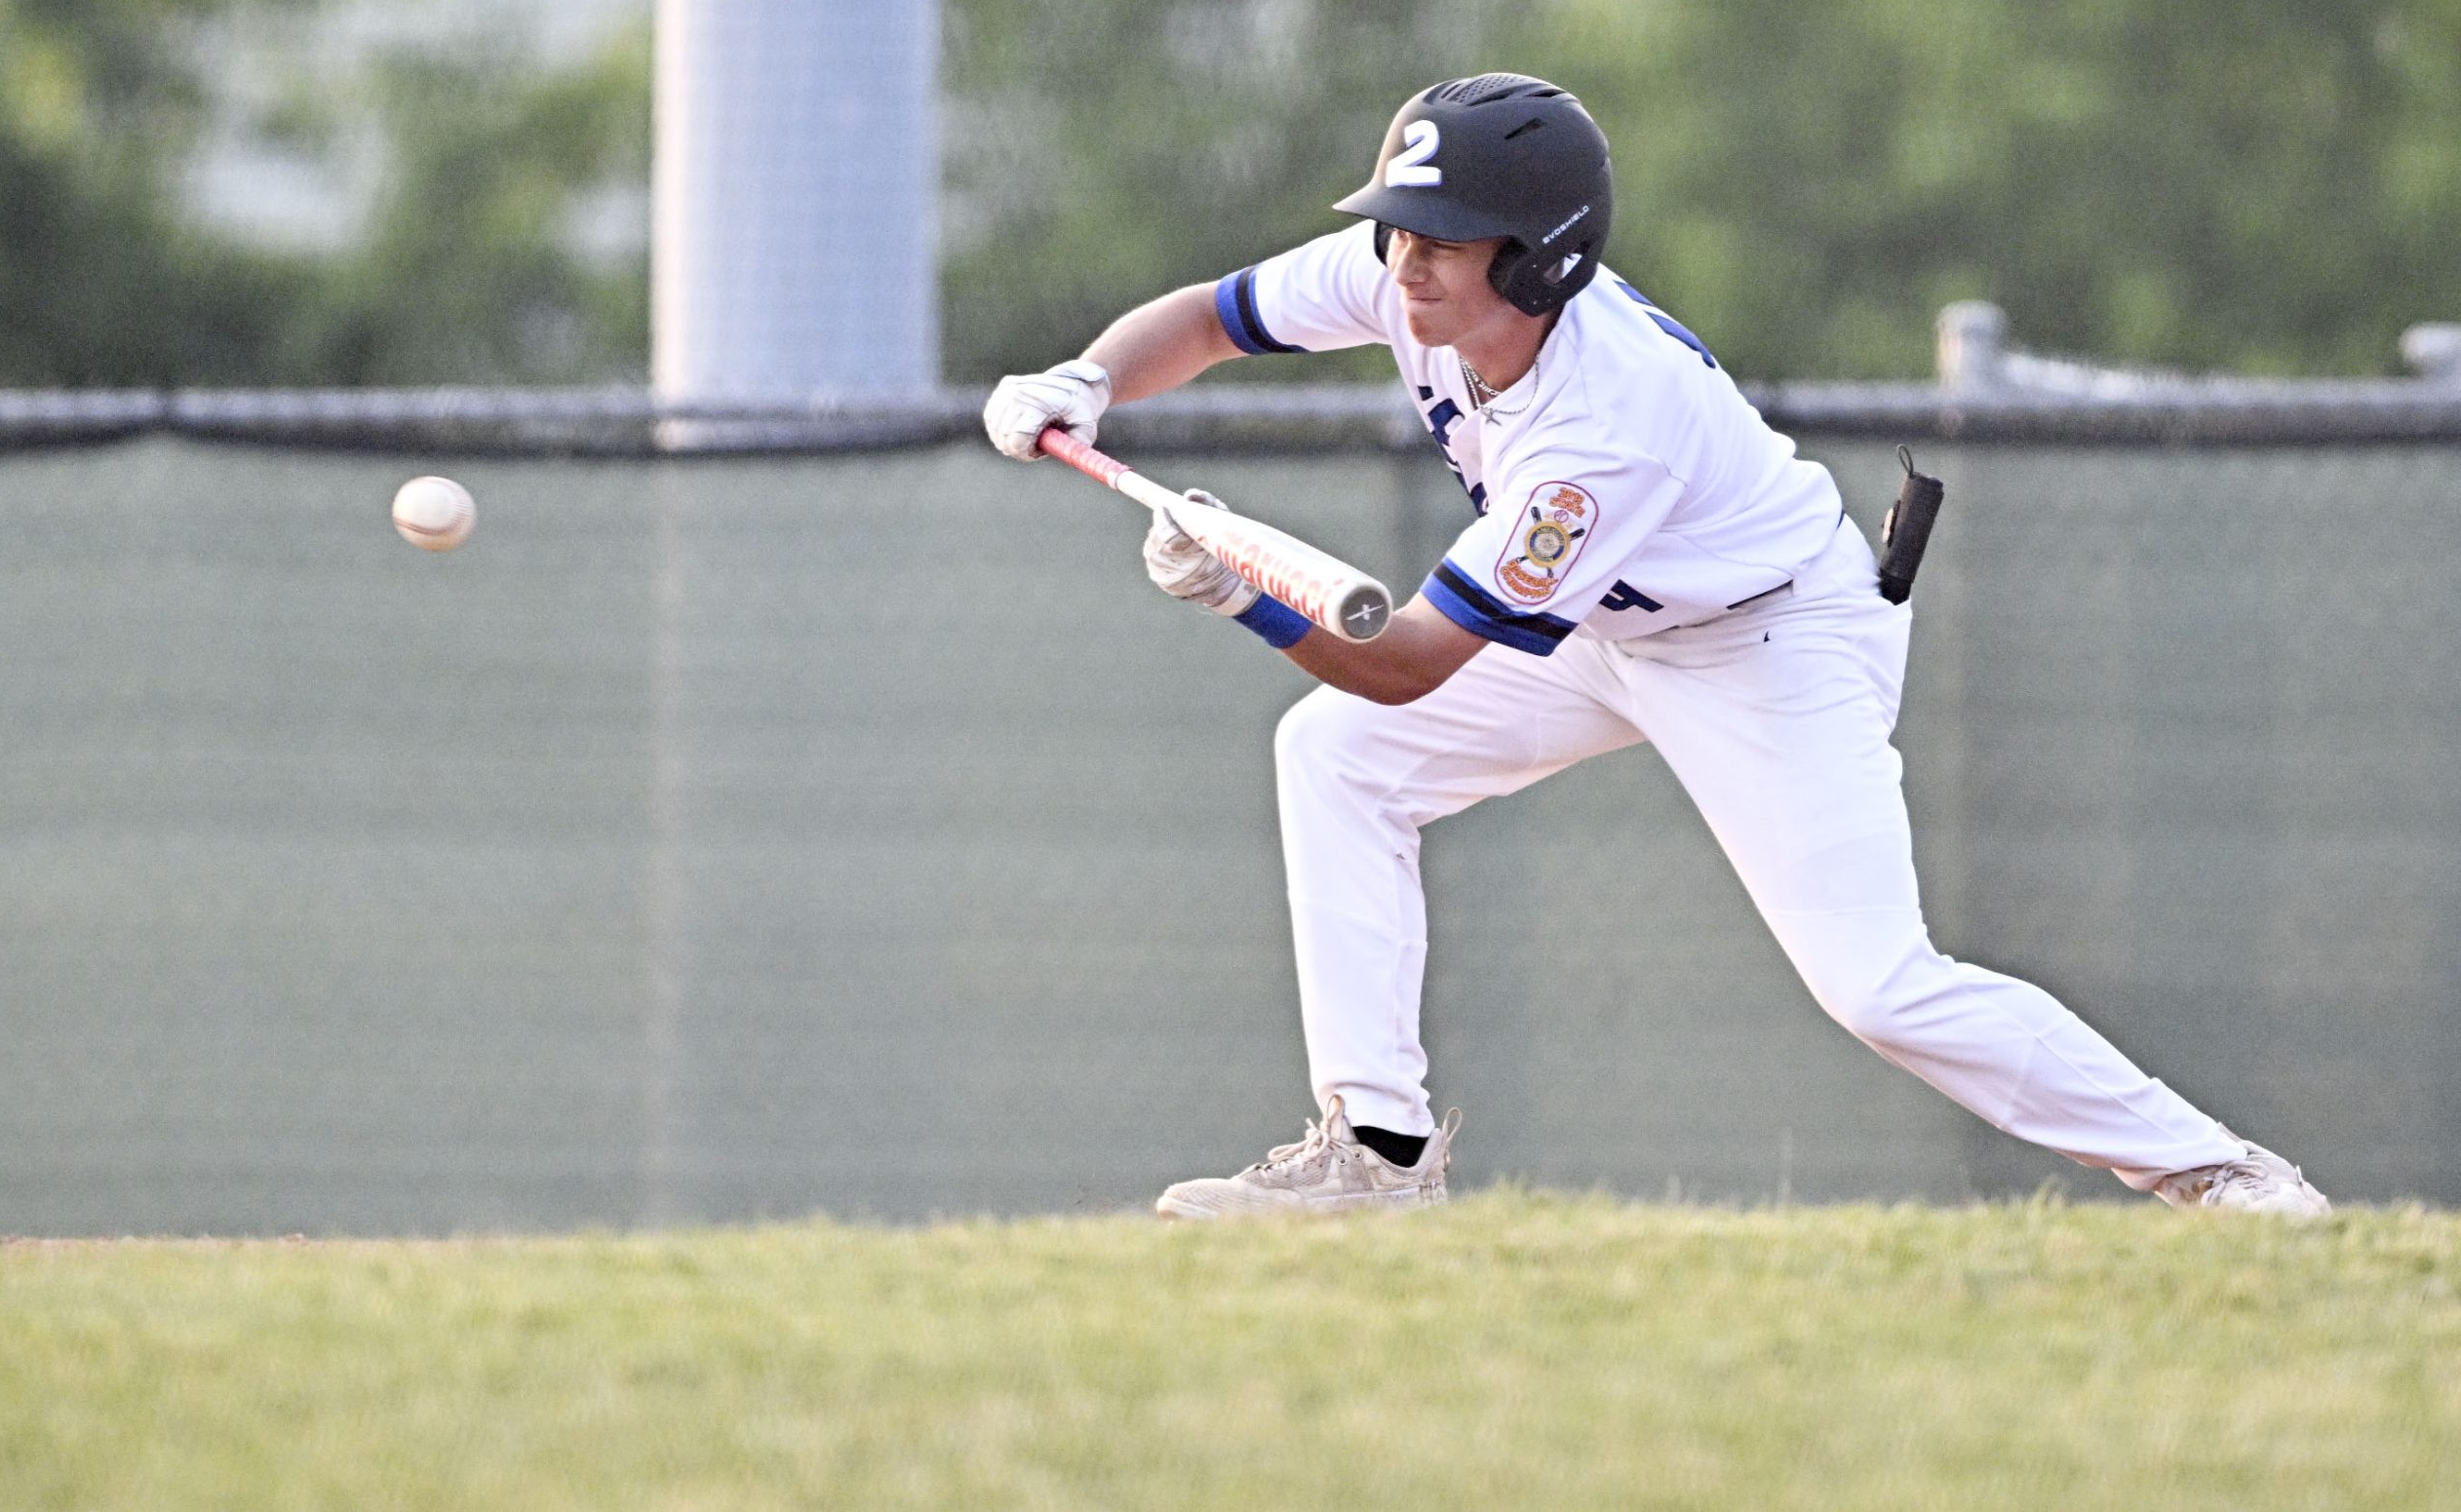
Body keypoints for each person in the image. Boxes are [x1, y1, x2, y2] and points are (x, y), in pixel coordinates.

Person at [980, 74, 2329, 1221]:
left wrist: (1245, 595)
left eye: (1445, 238)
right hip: (1604, 619)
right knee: (1336, 757)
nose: (1406, 259)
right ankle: (1377, 1155)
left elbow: (1411, 660)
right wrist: (1089, 377)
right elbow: (1215, 318)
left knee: (1877, 985)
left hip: (1767, 638)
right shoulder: (1403, 284)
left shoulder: (1601, 425)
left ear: (1540, 259)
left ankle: (2221, 1172)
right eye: (1399, 225)